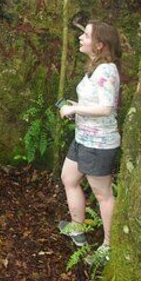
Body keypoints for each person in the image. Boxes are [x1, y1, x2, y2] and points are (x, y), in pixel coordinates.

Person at [57, 21, 122, 263]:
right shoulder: (95, 67)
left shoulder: (107, 70)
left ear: (99, 44)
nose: (80, 37)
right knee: (69, 178)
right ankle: (78, 230)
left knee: (103, 195)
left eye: (86, 35)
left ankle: (108, 247)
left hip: (99, 144)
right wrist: (77, 107)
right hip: (83, 138)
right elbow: (95, 102)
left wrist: (76, 110)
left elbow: (106, 108)